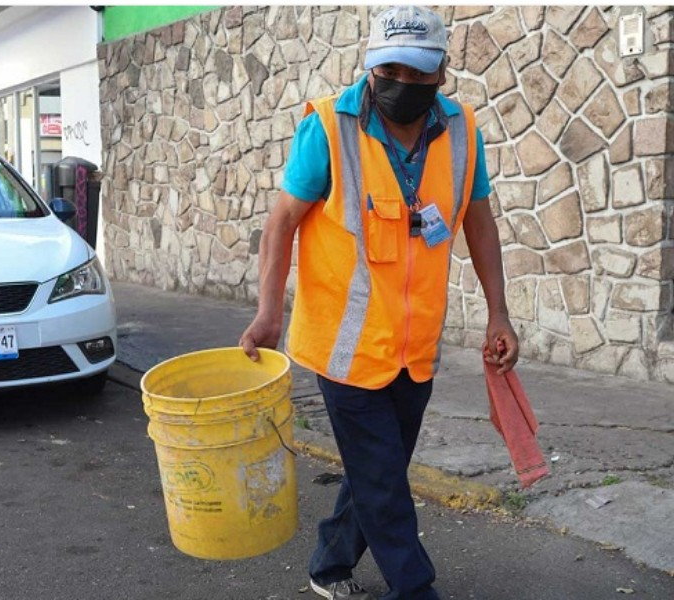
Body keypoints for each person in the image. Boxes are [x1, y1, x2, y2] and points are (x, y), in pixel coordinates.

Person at [239, 5, 519, 600]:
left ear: (442, 71)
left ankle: (329, 564)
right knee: (386, 485)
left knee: (375, 473)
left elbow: (480, 222)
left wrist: (499, 311)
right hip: (345, 350)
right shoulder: (329, 127)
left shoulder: (462, 130)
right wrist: (269, 312)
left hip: (415, 351)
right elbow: (280, 225)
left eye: (421, 74)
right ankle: (415, 589)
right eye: (392, 70)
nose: (406, 85)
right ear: (371, 65)